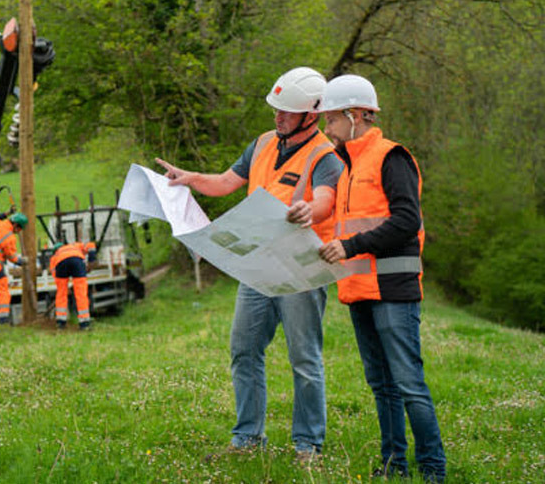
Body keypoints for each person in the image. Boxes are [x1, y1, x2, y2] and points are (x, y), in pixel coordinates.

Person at [156, 67, 343, 461]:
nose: (277, 116)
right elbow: (226, 182)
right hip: (257, 267)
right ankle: (246, 439)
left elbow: (326, 198)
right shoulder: (262, 143)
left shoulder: (326, 155)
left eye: (286, 112)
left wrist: (309, 209)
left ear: (311, 115)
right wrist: (189, 178)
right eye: (276, 109)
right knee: (244, 349)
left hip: (299, 272)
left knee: (304, 358)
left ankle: (308, 445)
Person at [317, 74, 446, 482]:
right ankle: (394, 466)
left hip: (393, 290)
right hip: (359, 290)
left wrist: (351, 246)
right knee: (383, 387)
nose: (327, 128)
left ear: (357, 115)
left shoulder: (392, 158)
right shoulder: (345, 167)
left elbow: (407, 220)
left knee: (408, 384)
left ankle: (433, 470)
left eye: (332, 119)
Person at [49, 240, 97, 330]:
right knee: (81, 293)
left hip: (61, 263)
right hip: (77, 260)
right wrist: (91, 261)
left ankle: (61, 322)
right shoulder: (75, 245)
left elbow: (54, 272)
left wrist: (64, 287)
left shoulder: (55, 256)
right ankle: (84, 323)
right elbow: (91, 245)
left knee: (61, 293)